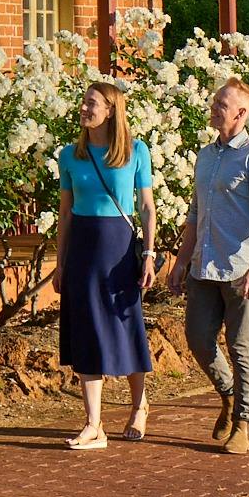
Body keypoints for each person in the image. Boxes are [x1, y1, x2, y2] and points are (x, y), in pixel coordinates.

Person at [166, 76, 249, 455]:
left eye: (221, 104)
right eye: (215, 101)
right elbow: (196, 212)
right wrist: (181, 261)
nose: (214, 108)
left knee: (240, 345)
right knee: (198, 338)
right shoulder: (206, 155)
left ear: (241, 113)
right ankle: (228, 395)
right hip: (203, 265)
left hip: (240, 269)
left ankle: (244, 424)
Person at [52, 80, 156, 449]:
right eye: (82, 103)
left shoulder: (136, 151)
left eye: (91, 103)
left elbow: (145, 206)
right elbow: (65, 212)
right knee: (86, 330)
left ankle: (138, 404)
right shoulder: (69, 155)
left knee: (125, 328)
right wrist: (60, 262)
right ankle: (94, 424)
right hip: (82, 246)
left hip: (119, 247)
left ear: (110, 109)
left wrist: (149, 254)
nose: (83, 108)